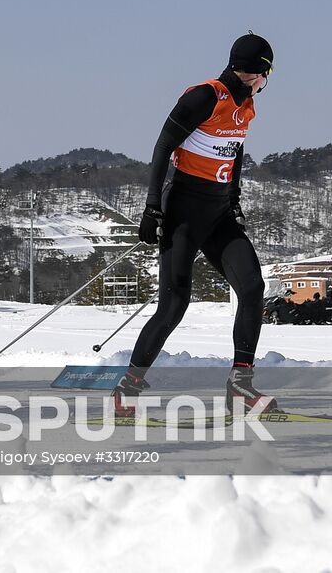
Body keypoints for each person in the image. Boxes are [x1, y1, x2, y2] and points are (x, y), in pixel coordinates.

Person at [113, 33, 278, 415]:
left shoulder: (246, 104)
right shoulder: (205, 96)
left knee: (252, 288)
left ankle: (240, 384)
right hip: (184, 209)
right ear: (257, 71)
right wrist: (152, 207)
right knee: (174, 304)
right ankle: (127, 390)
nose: (265, 82)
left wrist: (233, 199)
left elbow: (234, 152)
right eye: (266, 73)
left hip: (219, 213)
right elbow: (162, 146)